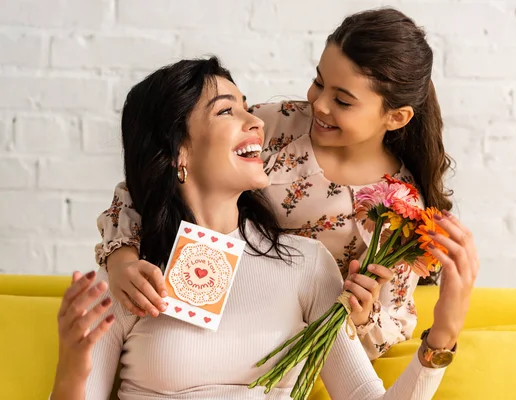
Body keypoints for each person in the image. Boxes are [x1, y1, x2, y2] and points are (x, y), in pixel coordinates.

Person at [51, 57, 478, 400]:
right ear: (179, 150)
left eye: (245, 105)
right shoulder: (131, 278)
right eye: (226, 111)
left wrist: (443, 333)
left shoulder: (306, 264)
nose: (255, 120)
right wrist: (73, 363)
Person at [96, 8, 458, 360]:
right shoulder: (277, 124)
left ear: (395, 117)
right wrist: (121, 261)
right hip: (193, 303)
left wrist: (361, 317)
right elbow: (157, 176)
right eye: (319, 82)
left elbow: (388, 328)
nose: (319, 104)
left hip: (284, 344)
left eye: (343, 101)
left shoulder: (400, 211)